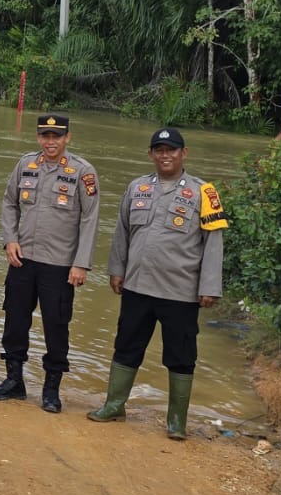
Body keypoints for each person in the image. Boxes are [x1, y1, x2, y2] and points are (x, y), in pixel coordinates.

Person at [88, 127, 227, 439]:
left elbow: (213, 242)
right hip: (137, 285)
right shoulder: (137, 187)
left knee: (181, 354)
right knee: (126, 345)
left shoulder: (205, 192)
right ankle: (114, 405)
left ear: (184, 153)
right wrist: (116, 269)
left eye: (172, 150)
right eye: (159, 150)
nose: (165, 155)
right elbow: (122, 232)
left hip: (181, 290)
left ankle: (177, 421)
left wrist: (209, 286)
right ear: (151, 154)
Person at [0, 113, 101, 412]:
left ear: (67, 138)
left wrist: (81, 263)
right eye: (45, 136)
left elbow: (90, 219)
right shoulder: (26, 165)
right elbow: (9, 202)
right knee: (15, 320)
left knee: (56, 325)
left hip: (60, 265)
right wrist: (10, 239)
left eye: (57, 136)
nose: (51, 142)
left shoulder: (82, 172)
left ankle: (51, 389)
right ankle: (14, 381)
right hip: (22, 259)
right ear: (39, 137)